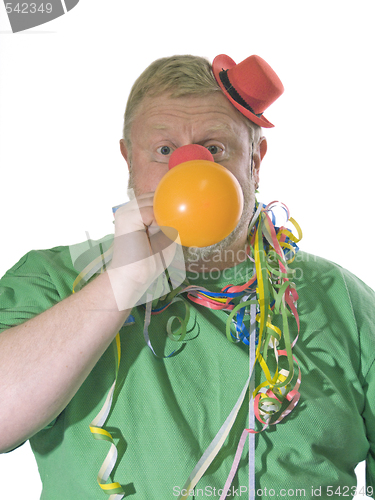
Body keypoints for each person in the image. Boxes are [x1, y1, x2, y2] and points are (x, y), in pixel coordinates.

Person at [0, 53, 374, 500]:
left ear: (255, 160)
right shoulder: (56, 279)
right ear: (128, 160)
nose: (192, 172)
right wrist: (120, 285)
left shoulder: (342, 302)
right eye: (164, 150)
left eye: (215, 149)